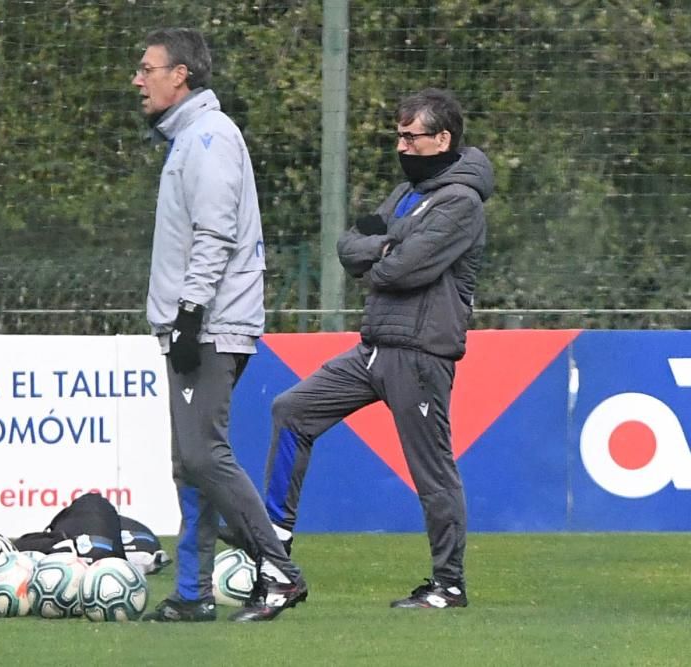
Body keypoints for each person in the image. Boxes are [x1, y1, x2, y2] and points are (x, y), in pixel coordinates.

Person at [261, 88, 494, 608]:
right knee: (292, 410)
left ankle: (448, 585)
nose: (402, 145)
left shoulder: (460, 202)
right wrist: (387, 245)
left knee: (431, 470)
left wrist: (385, 250)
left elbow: (399, 269)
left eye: (411, 136)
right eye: (399, 135)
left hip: (420, 355)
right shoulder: (404, 193)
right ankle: (274, 551)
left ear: (442, 138)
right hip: (373, 347)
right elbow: (350, 246)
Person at [132, 27, 307, 622]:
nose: (139, 79)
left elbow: (215, 234)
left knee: (204, 456)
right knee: (191, 462)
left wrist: (188, 314)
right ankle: (192, 593)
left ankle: (278, 569)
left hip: (207, 324)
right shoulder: (191, 138)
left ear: (180, 75)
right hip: (199, 321)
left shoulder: (209, 136)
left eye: (147, 68)